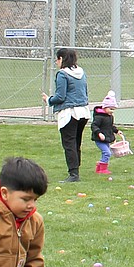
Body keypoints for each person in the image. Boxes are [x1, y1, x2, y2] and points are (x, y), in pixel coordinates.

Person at [43, 47, 89, 182]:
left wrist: (48, 100)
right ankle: (76, 169)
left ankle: (74, 174)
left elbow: (60, 96)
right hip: (83, 111)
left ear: (61, 59)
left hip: (70, 112)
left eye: (57, 59)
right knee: (76, 143)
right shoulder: (81, 72)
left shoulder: (62, 74)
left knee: (69, 143)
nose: (56, 62)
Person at [91, 90, 119, 175]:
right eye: (110, 109)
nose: (112, 111)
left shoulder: (109, 117)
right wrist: (99, 133)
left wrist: (117, 131)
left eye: (113, 109)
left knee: (106, 153)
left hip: (106, 138)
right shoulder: (99, 117)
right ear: (105, 107)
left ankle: (99, 167)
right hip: (99, 139)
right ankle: (103, 169)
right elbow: (94, 126)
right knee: (107, 153)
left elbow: (110, 126)